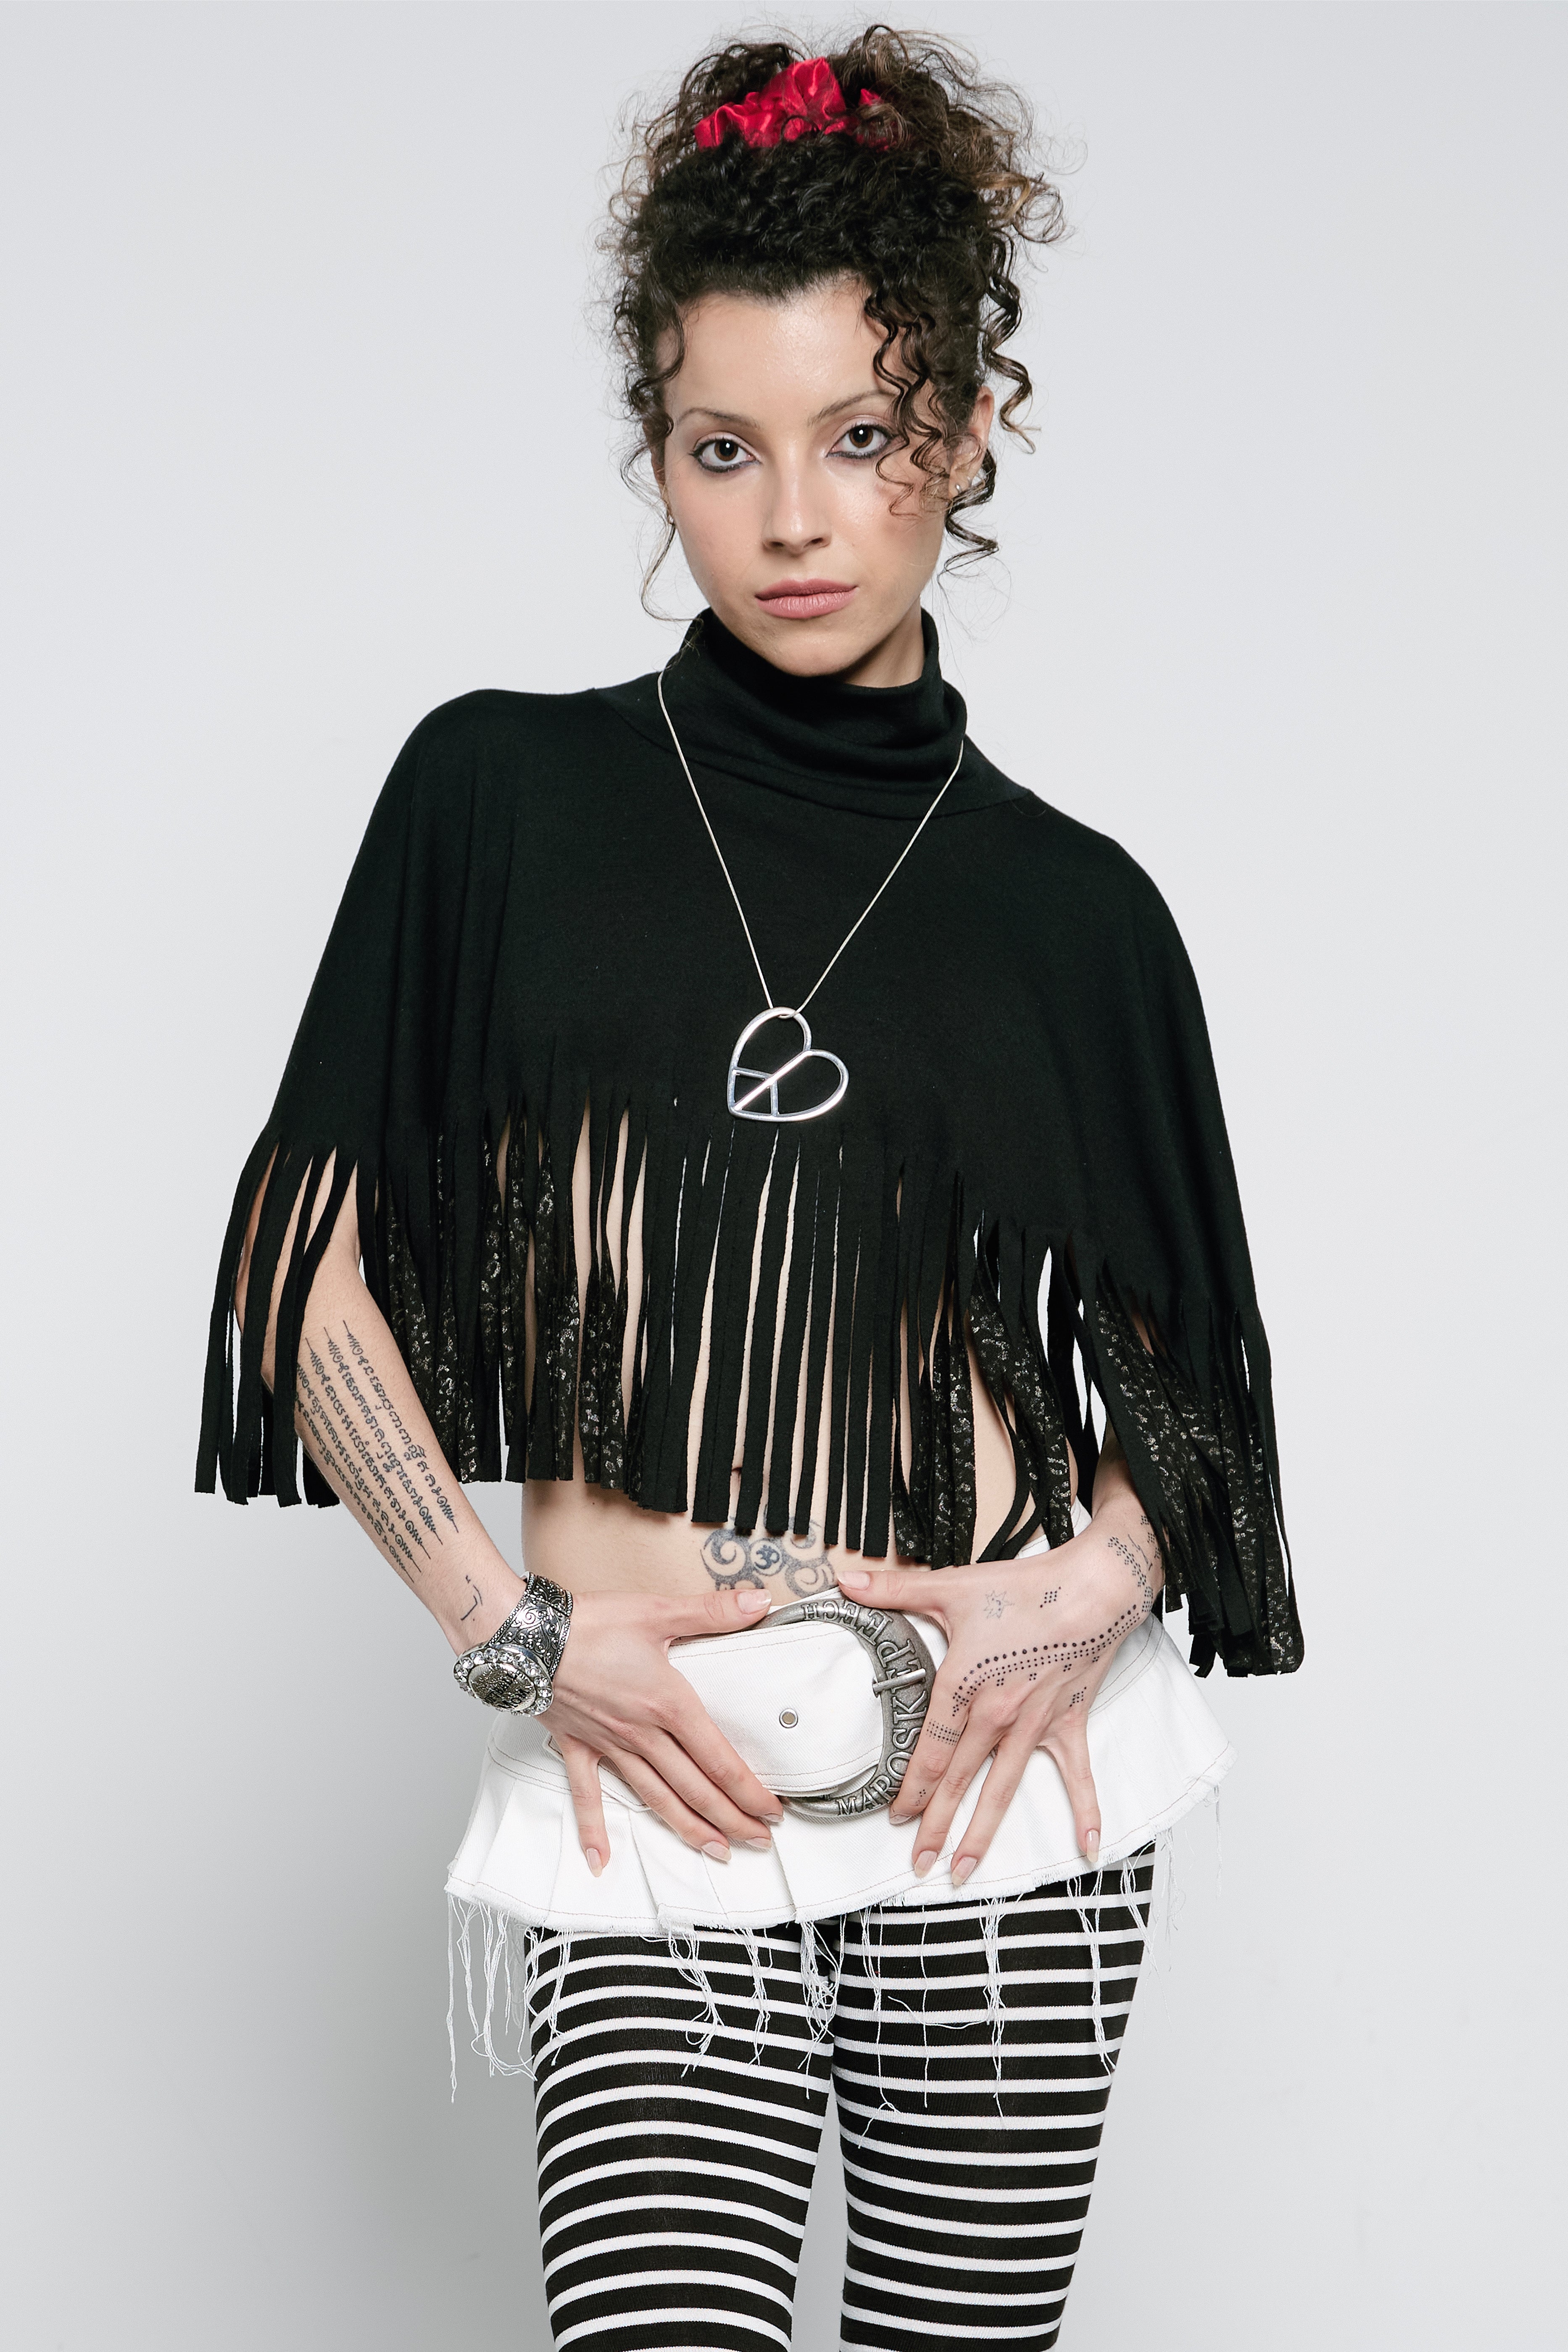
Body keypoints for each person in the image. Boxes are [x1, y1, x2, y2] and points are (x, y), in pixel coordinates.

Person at [198, 32, 1302, 2350]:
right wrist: (510, 1631)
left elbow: (1196, 1398)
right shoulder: (499, 801)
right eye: (725, 448)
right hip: (655, 1795)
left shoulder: (1078, 916)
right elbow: (305, 1275)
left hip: (1006, 1816)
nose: (795, 517)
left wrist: (1084, 1590)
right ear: (659, 452)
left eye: (860, 436)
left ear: (964, 432)